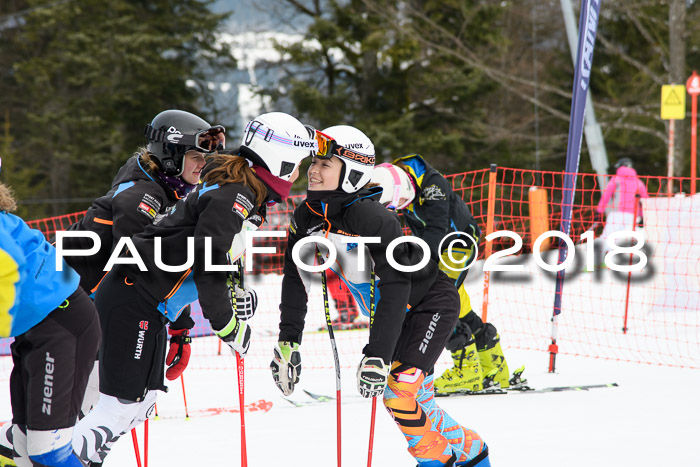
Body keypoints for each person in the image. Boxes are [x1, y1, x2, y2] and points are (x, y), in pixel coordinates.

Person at [71, 111, 315, 465]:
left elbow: (215, 252)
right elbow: (206, 258)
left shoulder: (240, 193)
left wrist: (232, 294)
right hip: (129, 301)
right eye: (297, 164)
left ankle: (68, 456)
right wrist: (226, 323)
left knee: (139, 405)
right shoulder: (234, 194)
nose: (297, 175)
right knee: (117, 407)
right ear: (280, 161)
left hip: (148, 306)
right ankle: (58, 458)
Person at [270, 126, 490, 467]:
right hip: (396, 314)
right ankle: (475, 454)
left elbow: (395, 287)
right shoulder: (306, 217)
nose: (313, 169)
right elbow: (295, 278)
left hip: (429, 305)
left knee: (399, 395)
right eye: (313, 161)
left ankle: (436, 462)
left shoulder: (374, 218)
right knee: (422, 406)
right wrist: (288, 341)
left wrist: (377, 355)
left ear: (352, 171)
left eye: (325, 164)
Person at [370, 156, 512, 394]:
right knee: (460, 307)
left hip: (457, 244)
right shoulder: (405, 187)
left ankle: (466, 371)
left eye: (401, 201)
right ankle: (495, 368)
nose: (403, 205)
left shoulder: (432, 185)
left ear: (404, 186)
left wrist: (422, 264)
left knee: (437, 301)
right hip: (440, 246)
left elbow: (436, 227)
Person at [0, 159, 101, 466]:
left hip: (61, 325)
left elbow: (10, 264)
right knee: (20, 444)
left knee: (48, 451)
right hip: (38, 326)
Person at [596, 157, 649, 255]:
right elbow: (645, 201)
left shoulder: (616, 179)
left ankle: (598, 259)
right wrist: (642, 216)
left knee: (607, 236)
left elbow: (606, 195)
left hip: (617, 213)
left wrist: (599, 211)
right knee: (620, 239)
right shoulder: (639, 182)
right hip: (632, 216)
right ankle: (611, 258)